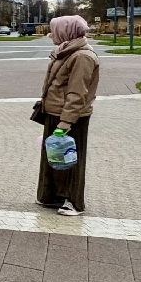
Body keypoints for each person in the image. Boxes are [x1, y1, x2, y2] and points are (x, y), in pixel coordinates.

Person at [37, 15, 100, 216]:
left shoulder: (82, 56)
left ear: (67, 32)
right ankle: (53, 196)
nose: (51, 34)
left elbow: (77, 93)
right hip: (55, 112)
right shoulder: (65, 51)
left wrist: (66, 122)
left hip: (72, 117)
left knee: (71, 160)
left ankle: (74, 201)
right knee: (54, 157)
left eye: (54, 30)